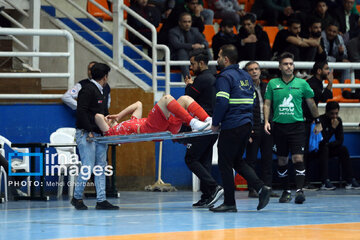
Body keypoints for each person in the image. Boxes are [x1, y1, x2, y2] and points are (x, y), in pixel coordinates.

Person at [209, 44, 271, 213]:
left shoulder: (224, 77)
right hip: (246, 125)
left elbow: (222, 102)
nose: (217, 59)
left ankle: (229, 203)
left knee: (224, 163)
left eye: (219, 56)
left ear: (226, 59)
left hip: (232, 125)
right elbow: (252, 100)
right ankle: (261, 188)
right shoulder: (245, 76)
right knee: (237, 161)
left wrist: (215, 123)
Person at [264, 52, 323, 204]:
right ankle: (286, 191)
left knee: (298, 158)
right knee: (282, 160)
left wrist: (318, 121)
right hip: (279, 127)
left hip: (297, 127)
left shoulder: (303, 84)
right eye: (285, 64)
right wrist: (266, 121)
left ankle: (299, 191)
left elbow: (311, 103)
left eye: (291, 63)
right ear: (280, 66)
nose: (289, 66)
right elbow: (267, 104)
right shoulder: (272, 84)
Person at [71, 63, 118, 210]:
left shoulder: (101, 90)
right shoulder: (87, 90)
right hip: (87, 134)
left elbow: (102, 111)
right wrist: (89, 130)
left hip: (99, 134)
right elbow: (81, 111)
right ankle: (77, 197)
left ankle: (101, 199)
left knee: (101, 167)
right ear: (105, 76)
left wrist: (108, 120)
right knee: (88, 166)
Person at [183, 49, 222, 208]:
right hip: (213, 125)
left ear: (201, 63)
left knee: (190, 159)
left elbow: (188, 99)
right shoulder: (213, 79)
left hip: (203, 125)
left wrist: (188, 86)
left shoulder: (201, 79)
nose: (191, 67)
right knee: (204, 161)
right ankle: (207, 195)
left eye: (192, 64)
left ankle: (213, 187)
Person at [95, 94, 211, 136]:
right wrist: (105, 118)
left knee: (184, 99)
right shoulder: (111, 132)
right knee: (166, 98)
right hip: (149, 129)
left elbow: (138, 104)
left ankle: (208, 120)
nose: (107, 119)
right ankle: (193, 123)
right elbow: (97, 117)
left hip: (165, 126)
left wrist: (119, 116)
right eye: (106, 121)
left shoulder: (129, 122)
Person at [244, 61, 278, 198]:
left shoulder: (267, 87)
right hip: (253, 129)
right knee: (251, 161)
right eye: (251, 69)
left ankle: (268, 188)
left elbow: (273, 106)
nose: (254, 72)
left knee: (267, 160)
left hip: (267, 128)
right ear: (246, 73)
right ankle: (252, 189)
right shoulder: (244, 89)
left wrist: (272, 124)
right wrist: (247, 129)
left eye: (256, 69)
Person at [302, 61, 334, 190]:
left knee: (307, 152)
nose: (329, 71)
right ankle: (303, 183)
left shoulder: (318, 83)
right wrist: (318, 121)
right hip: (302, 121)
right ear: (319, 71)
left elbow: (326, 97)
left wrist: (330, 83)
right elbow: (314, 103)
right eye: (326, 69)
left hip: (308, 121)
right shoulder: (312, 84)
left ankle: (305, 182)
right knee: (302, 153)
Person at [318, 101, 360, 190]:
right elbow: (321, 141)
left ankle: (350, 180)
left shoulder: (338, 120)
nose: (335, 116)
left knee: (343, 149)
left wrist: (328, 144)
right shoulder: (320, 120)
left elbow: (340, 140)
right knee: (324, 148)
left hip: (327, 147)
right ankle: (324, 181)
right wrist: (332, 128)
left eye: (336, 113)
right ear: (326, 112)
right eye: (332, 113)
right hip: (317, 150)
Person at [168, 12, 210, 77]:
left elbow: (205, 42)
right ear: (180, 22)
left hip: (192, 58)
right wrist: (192, 46)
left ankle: (212, 75)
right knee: (181, 51)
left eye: (189, 22)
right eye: (185, 22)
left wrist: (201, 46)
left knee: (206, 51)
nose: (187, 24)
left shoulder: (195, 30)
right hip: (176, 58)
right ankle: (187, 78)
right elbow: (176, 45)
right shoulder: (173, 31)